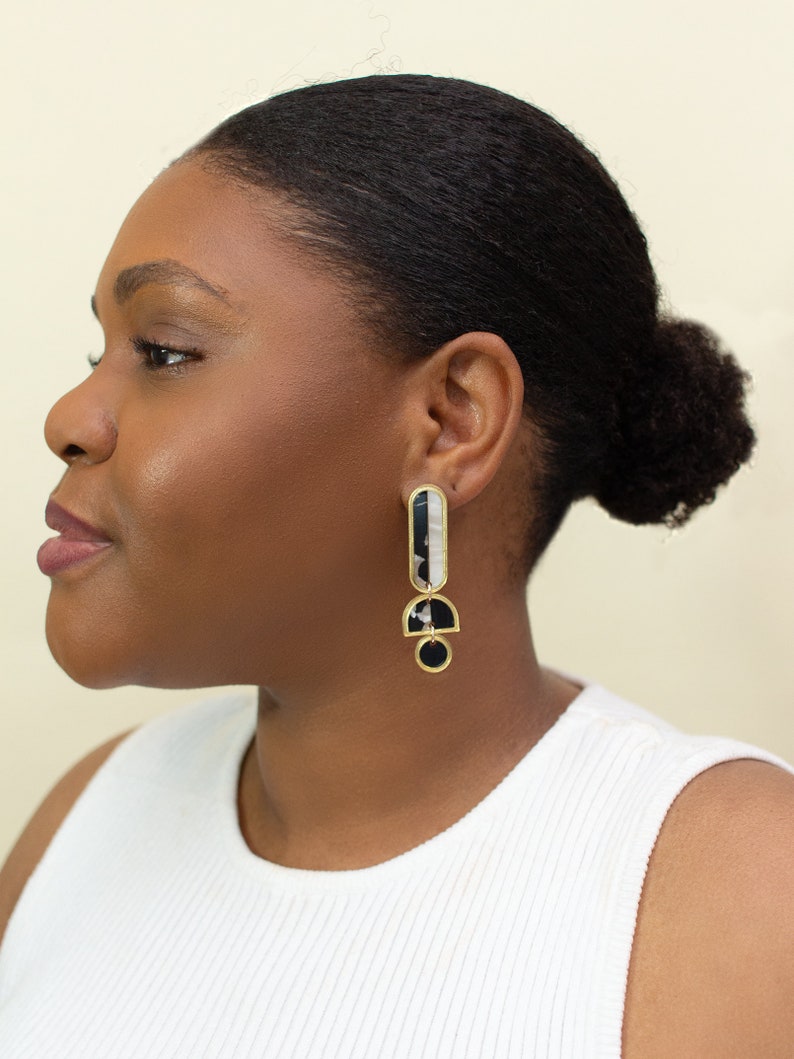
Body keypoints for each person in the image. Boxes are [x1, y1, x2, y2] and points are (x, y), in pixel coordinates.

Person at [0, 74, 791, 1057]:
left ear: (449, 422)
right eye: (98, 353)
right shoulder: (86, 821)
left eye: (162, 351)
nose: (68, 419)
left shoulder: (731, 883)